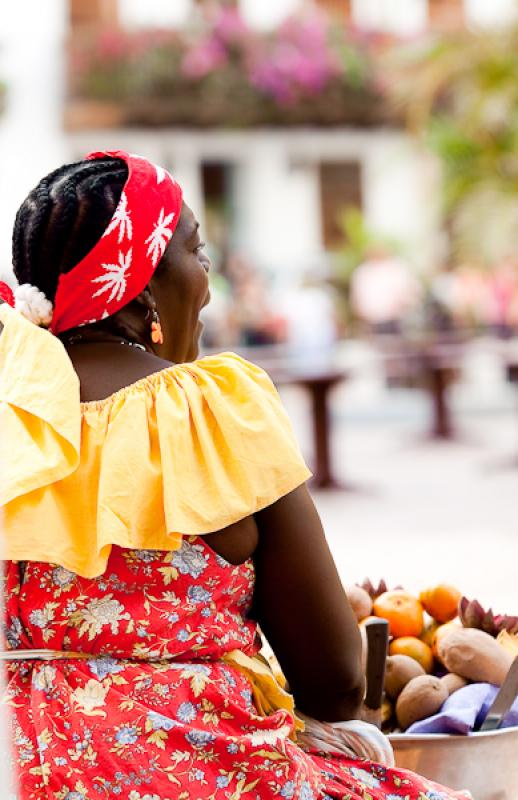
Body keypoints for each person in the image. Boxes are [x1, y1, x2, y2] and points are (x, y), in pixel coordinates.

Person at [0, 151, 470, 799]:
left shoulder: (12, 420)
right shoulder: (209, 409)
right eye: (197, 252)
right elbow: (333, 681)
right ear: (140, 280)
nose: (209, 283)